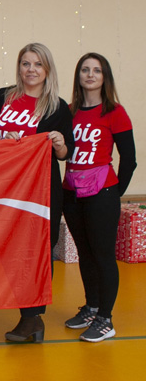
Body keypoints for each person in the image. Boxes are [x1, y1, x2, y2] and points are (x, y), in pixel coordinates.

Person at [0, 43, 74, 343]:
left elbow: (65, 153)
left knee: (39, 250)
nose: (30, 70)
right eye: (25, 63)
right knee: (10, 250)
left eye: (37, 64)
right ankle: (25, 315)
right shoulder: (1, 98)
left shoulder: (56, 106)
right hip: (2, 190)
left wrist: (58, 143)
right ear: (19, 67)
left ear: (47, 70)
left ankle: (32, 318)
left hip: (41, 192)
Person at [62, 53, 136, 342]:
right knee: (85, 252)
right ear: (78, 75)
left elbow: (129, 159)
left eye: (96, 70)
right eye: (84, 69)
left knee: (103, 255)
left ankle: (106, 318)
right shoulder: (69, 111)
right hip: (72, 191)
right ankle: (91, 307)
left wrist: (114, 193)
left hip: (102, 192)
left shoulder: (115, 112)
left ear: (105, 77)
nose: (90, 75)